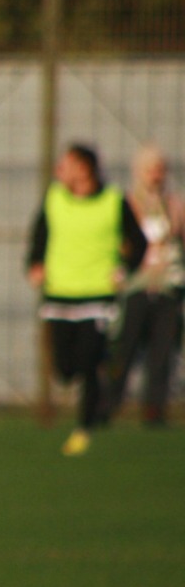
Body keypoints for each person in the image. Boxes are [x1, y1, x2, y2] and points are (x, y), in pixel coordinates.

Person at [25, 143, 146, 455]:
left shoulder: (113, 200)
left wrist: (125, 270)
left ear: (84, 168)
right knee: (65, 368)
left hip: (97, 296)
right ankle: (101, 377)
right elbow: (40, 237)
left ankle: (85, 428)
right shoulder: (54, 199)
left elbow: (139, 242)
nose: (60, 171)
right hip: (60, 293)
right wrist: (35, 266)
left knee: (89, 362)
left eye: (66, 164)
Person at [107, 144, 185, 426]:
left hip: (168, 287)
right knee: (124, 349)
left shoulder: (174, 205)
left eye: (161, 169)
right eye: (151, 169)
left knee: (162, 351)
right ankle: (110, 403)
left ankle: (155, 408)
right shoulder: (127, 203)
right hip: (135, 287)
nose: (157, 175)